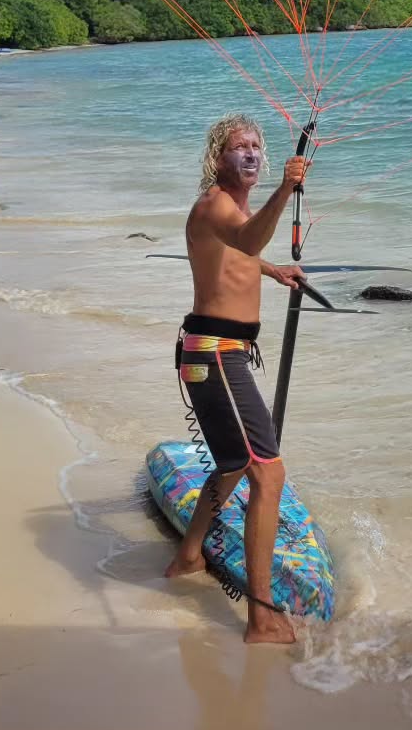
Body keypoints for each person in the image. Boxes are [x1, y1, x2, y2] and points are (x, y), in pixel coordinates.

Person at [164, 111, 308, 645]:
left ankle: (188, 556)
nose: (249, 153)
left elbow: (241, 253)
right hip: (216, 354)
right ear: (217, 159)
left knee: (231, 463)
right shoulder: (214, 205)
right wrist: (286, 188)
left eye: (255, 145)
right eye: (237, 147)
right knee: (267, 474)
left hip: (214, 351)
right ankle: (261, 617)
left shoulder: (232, 211)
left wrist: (275, 271)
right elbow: (244, 240)